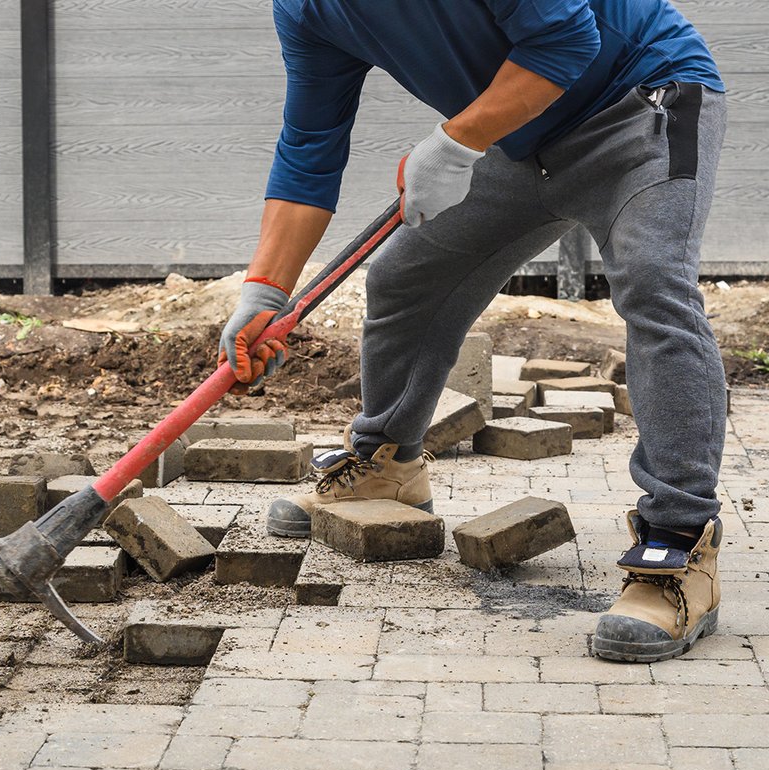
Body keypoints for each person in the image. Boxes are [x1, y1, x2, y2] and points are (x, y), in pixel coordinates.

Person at [220, 0, 727, 664]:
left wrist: (457, 140)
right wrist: (265, 290)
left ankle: (681, 544)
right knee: (406, 277)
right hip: (522, 140)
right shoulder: (310, 10)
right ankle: (386, 466)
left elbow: (568, 39)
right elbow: (310, 149)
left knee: (653, 279)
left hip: (639, 103)